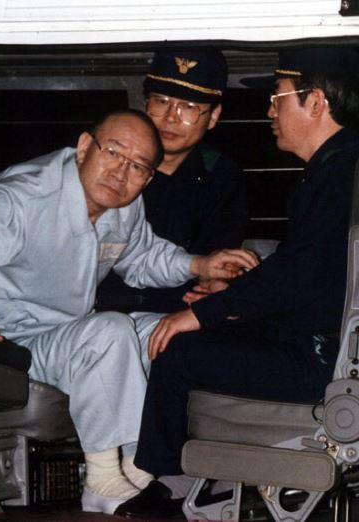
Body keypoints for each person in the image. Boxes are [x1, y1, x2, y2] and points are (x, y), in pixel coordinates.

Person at [0, 108, 257, 514]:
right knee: (110, 332)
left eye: (138, 166)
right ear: (84, 147)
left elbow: (142, 256)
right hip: (11, 342)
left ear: (149, 178)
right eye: (114, 153)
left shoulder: (124, 205)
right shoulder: (17, 199)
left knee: (172, 332)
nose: (122, 173)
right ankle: (103, 480)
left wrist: (199, 265)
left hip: (68, 332)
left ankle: (140, 468)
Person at [115, 46, 359, 519]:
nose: (270, 111)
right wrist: (232, 296)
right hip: (321, 342)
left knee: (177, 349)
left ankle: (168, 487)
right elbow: (306, 271)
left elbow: (299, 275)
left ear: (315, 102)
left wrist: (199, 313)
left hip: (320, 358)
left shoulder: (339, 174)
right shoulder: (338, 167)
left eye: (277, 98)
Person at [96, 50, 247, 314]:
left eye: (188, 107)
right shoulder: (106, 162)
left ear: (213, 116)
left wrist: (215, 284)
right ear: (146, 104)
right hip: (97, 308)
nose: (171, 117)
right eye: (161, 101)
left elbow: (212, 268)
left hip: (174, 313)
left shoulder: (221, 177)